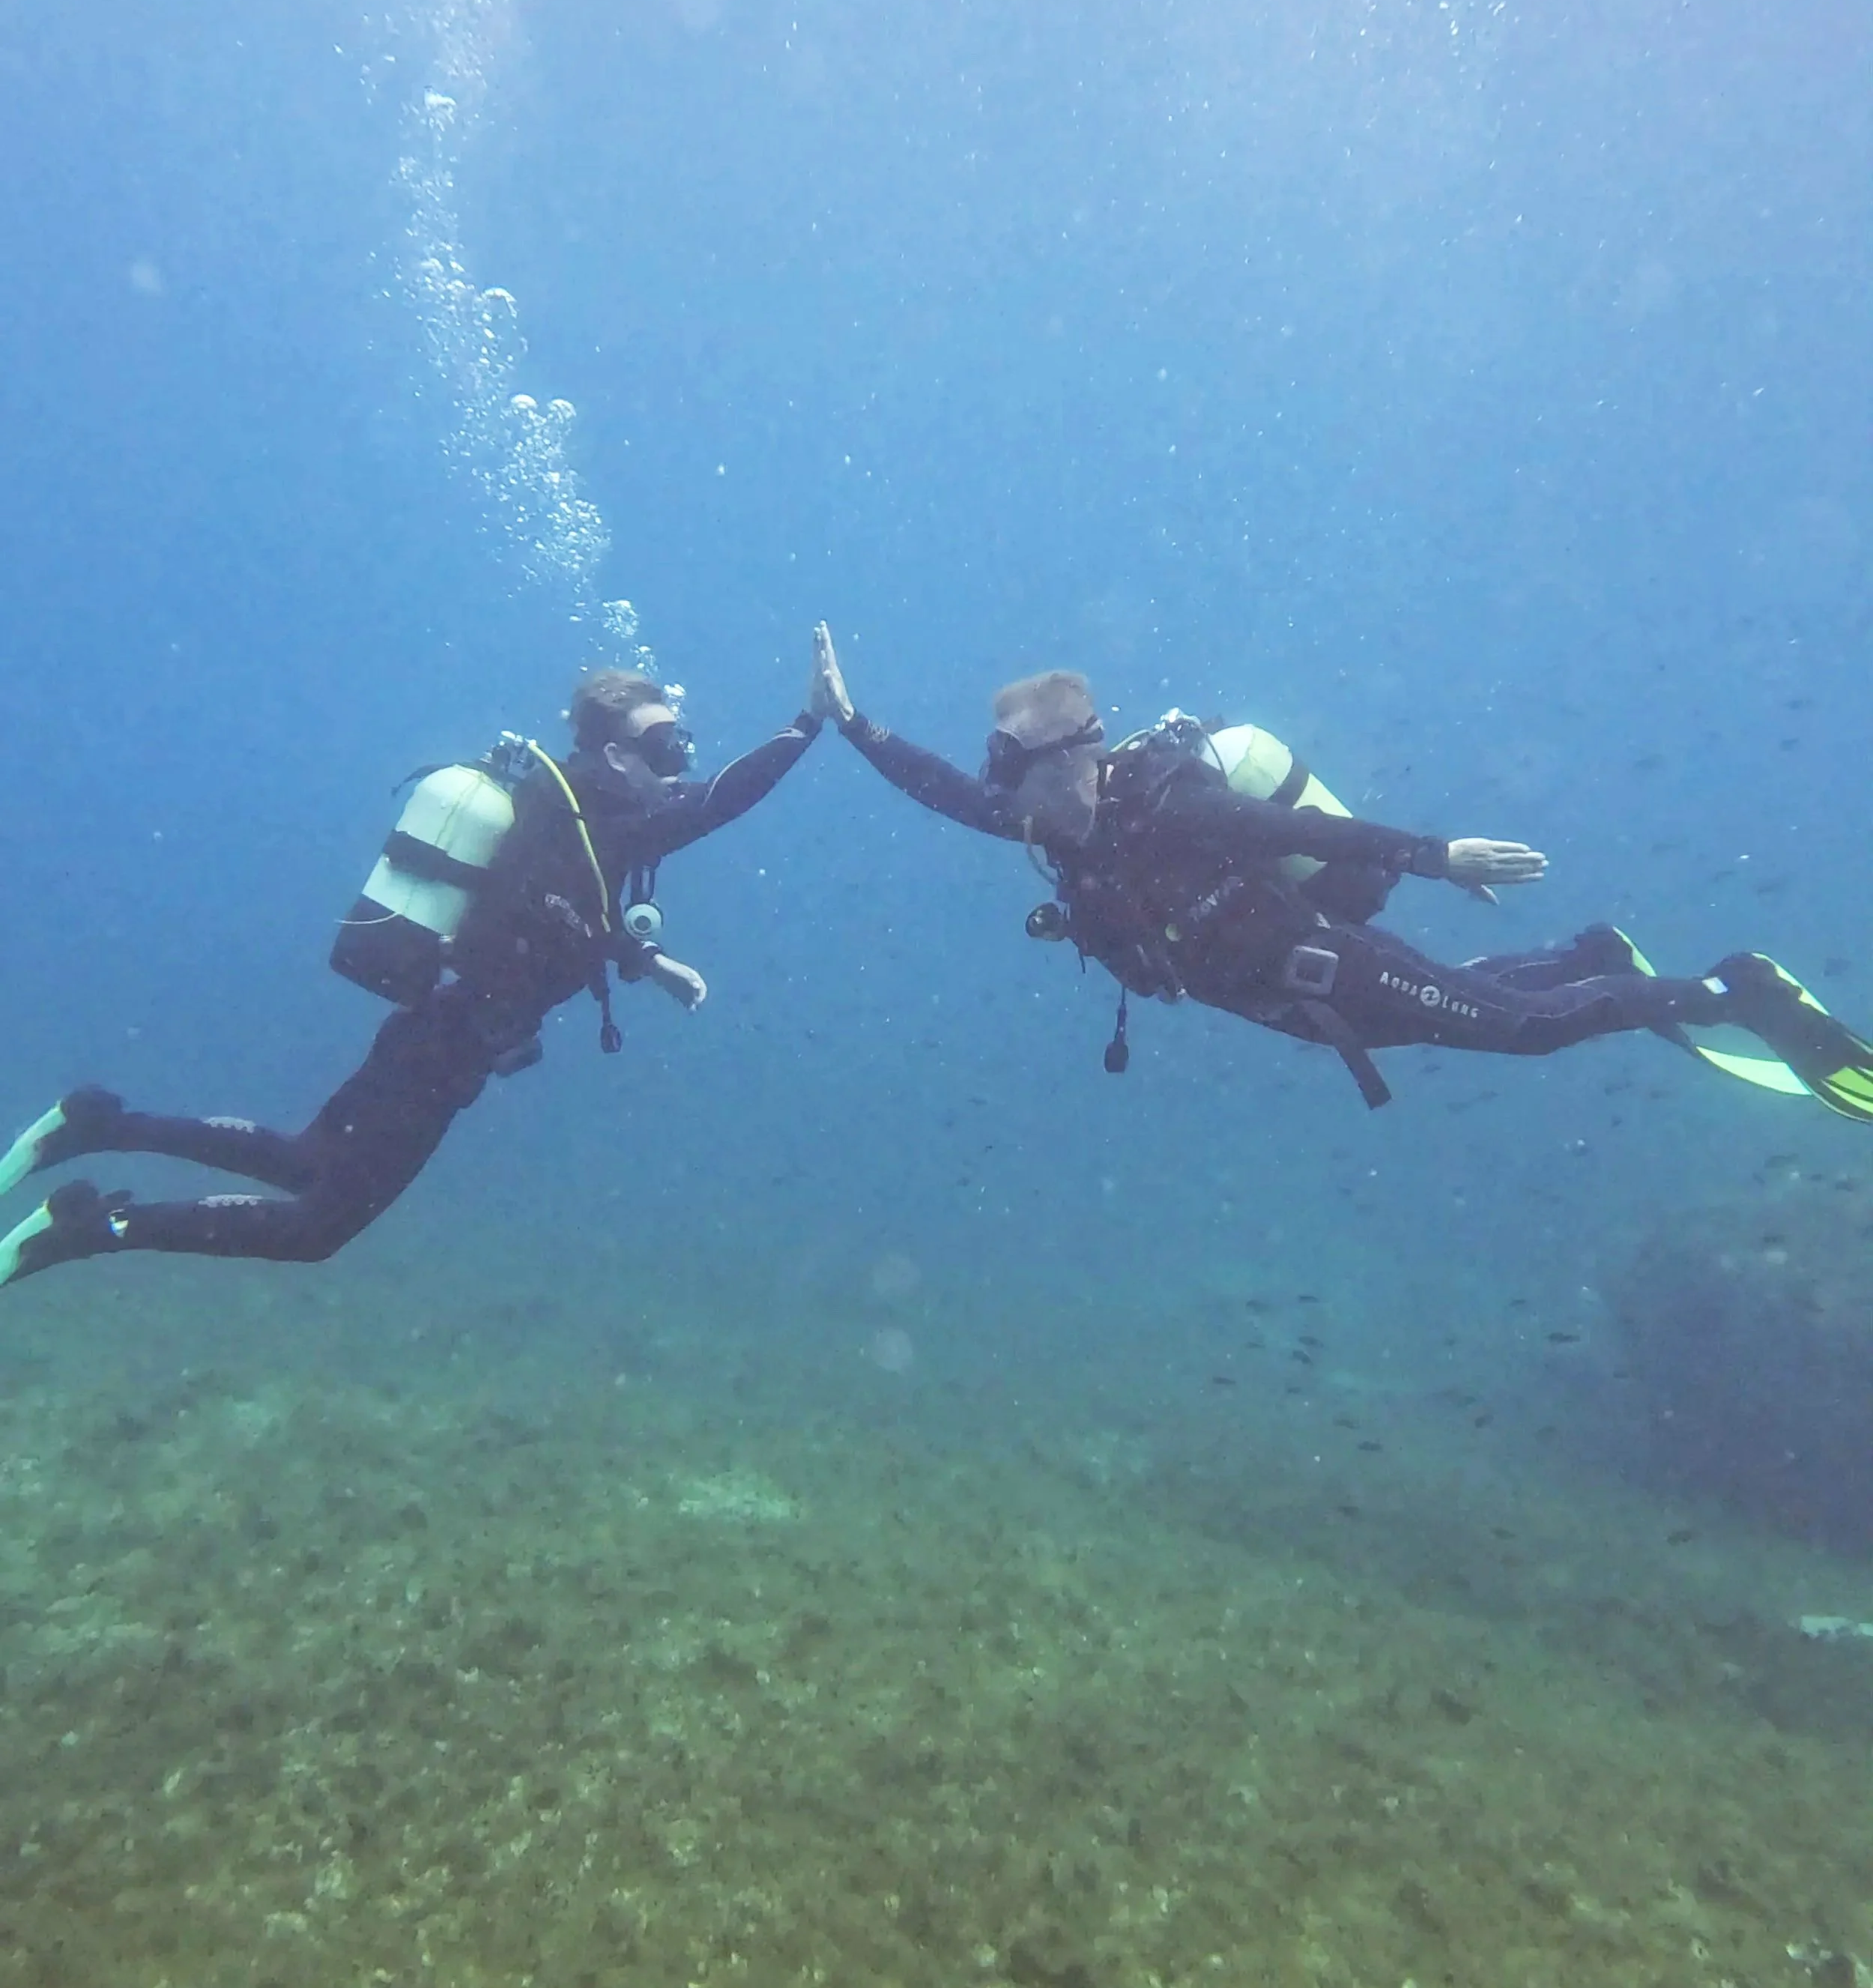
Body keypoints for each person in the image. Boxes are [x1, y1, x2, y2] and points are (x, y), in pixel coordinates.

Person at [805, 627, 1873, 1117]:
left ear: (1073, 759)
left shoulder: (1171, 806)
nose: (1001, 792)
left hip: (1320, 966)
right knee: (1476, 1001)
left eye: (1016, 770)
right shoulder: (1056, 831)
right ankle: (1592, 955)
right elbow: (942, 791)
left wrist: (1437, 857)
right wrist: (853, 724)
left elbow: (1318, 835)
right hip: (1286, 1000)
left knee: (1523, 1029)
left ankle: (1741, 990)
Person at [0, 659, 826, 1289]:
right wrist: (809, 723)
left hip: (431, 1027)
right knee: (316, 1229)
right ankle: (87, 1229)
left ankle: (95, 1127)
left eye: (682, 740)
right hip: (442, 1050)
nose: (681, 756)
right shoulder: (600, 818)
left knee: (305, 1160)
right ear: (614, 751)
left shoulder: (572, 810)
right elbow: (719, 801)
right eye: (664, 744)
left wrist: (644, 959)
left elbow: (554, 910)